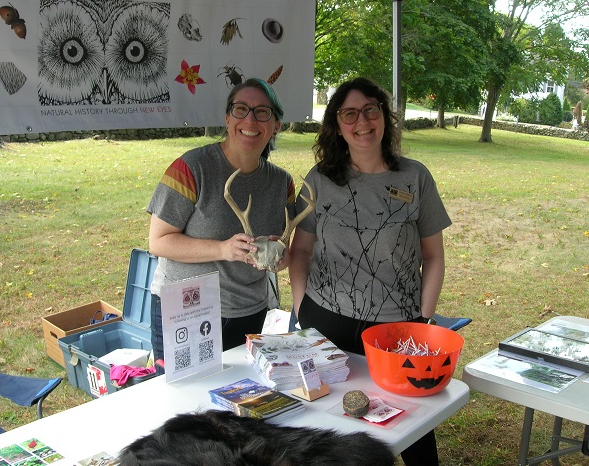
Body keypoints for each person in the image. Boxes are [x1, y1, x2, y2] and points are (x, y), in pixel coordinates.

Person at [289, 77, 451, 466]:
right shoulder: (319, 180)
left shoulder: (415, 177)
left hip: (398, 327)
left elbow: (433, 256)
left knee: (412, 426)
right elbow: (300, 249)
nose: (362, 122)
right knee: (326, 423)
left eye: (370, 110)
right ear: (336, 124)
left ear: (384, 116)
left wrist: (423, 319)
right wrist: (301, 310)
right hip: (326, 318)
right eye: (349, 114)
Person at [147, 78, 295, 374]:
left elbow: (284, 254)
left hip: (250, 311)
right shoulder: (192, 168)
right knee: (188, 402)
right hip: (189, 310)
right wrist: (223, 249)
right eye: (241, 109)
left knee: (240, 397)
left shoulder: (282, 183)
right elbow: (159, 242)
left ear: (276, 125)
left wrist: (277, 258)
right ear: (228, 119)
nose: (250, 119)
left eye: (262, 112)